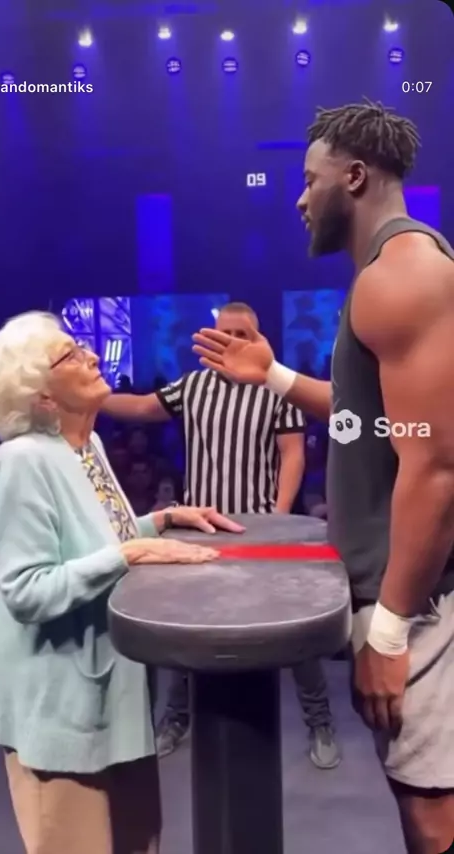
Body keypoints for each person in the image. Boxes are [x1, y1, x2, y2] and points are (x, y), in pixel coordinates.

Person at [192, 100, 454, 854]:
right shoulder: (391, 273)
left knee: (433, 812)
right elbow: (367, 418)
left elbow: (436, 466)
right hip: (410, 593)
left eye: (310, 180)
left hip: (423, 601)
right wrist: (273, 374)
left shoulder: (401, 275)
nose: (299, 199)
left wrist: (390, 629)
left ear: (355, 177)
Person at [0, 312, 244, 854]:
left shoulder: (86, 445)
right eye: (71, 355)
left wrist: (160, 520)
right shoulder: (22, 461)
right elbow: (27, 590)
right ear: (42, 395)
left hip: (109, 702)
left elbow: (95, 541)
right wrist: (131, 552)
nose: (93, 356)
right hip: (58, 713)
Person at [102, 301, 340, 770]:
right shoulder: (194, 385)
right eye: (223, 332)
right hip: (202, 527)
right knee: (185, 626)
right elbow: (143, 406)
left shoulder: (276, 387)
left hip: (261, 528)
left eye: (241, 333)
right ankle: (176, 718)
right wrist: (91, 399)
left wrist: (278, 518)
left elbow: (292, 454)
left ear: (258, 337)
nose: (230, 340)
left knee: (295, 630)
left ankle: (320, 722)